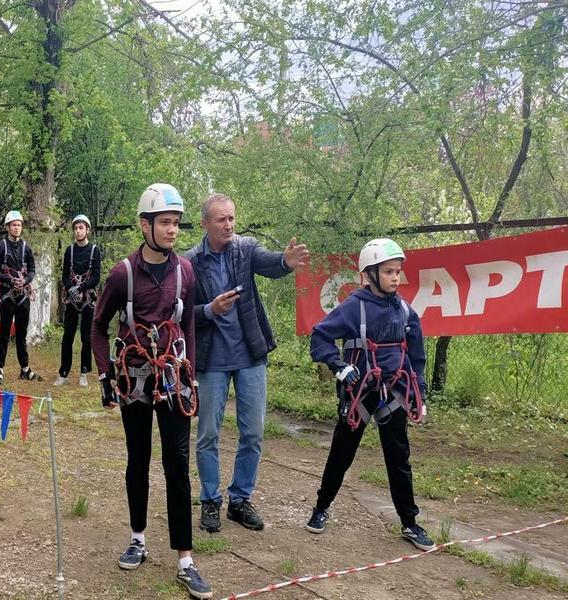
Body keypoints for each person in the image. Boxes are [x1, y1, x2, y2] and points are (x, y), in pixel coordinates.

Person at [91, 184, 212, 600]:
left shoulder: (186, 272)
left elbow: (190, 325)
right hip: (135, 380)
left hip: (173, 377)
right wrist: (107, 374)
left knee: (177, 464)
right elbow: (98, 325)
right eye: (165, 222)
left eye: (176, 223)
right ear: (145, 225)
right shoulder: (122, 273)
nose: (172, 230)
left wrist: (191, 374)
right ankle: (138, 539)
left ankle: (185, 559)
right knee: (138, 459)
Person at [186, 193, 310, 533]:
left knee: (252, 432)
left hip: (250, 357)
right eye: (221, 220)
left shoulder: (245, 248)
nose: (228, 225)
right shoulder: (191, 262)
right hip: (211, 361)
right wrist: (211, 310)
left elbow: (269, 263)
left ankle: (240, 500)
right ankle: (210, 501)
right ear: (205, 224)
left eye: (231, 219)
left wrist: (285, 262)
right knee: (208, 434)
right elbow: (181, 315)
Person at [306, 238, 434, 551]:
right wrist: (339, 366)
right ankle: (321, 509)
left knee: (399, 458)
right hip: (359, 393)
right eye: (389, 271)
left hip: (394, 393)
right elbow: (320, 338)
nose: (396, 277)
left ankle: (409, 523)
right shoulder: (353, 307)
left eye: (398, 271)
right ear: (369, 275)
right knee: (342, 452)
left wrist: (420, 394)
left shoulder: (405, 312)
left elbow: (416, 357)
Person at [0, 210, 42, 384]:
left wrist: (25, 280)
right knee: (4, 333)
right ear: (7, 227)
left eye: (19, 225)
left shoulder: (26, 247)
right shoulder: (1, 247)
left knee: (22, 333)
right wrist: (10, 280)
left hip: (23, 296)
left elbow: (33, 269)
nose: (17, 228)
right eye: (13, 225)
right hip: (7, 295)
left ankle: (25, 369)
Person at [54, 214, 102, 387]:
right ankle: (64, 373)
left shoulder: (95, 250)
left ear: (87, 230)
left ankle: (83, 372)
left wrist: (81, 288)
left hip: (88, 297)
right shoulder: (70, 251)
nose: (78, 231)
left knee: (86, 336)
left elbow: (96, 276)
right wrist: (71, 289)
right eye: (75, 228)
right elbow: (65, 275)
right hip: (72, 298)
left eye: (81, 228)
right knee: (68, 335)